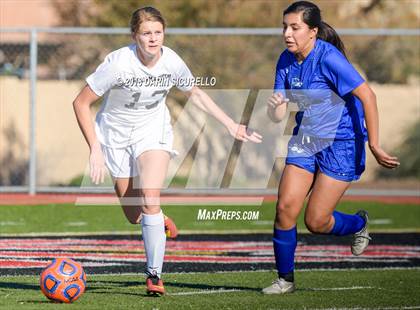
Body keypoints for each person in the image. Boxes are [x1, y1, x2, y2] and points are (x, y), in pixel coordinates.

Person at [73, 6, 262, 296]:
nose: (153, 39)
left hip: (153, 132)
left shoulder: (171, 61)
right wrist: (94, 148)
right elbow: (80, 103)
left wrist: (229, 124)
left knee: (151, 195)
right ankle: (158, 218)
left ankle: (154, 274)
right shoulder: (118, 63)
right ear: (134, 35)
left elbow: (194, 93)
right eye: (146, 33)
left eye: (158, 33)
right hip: (115, 135)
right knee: (134, 214)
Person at [263, 1, 399, 294]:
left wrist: (373, 144)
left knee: (316, 221)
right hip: (306, 140)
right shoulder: (285, 61)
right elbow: (276, 115)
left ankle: (359, 223)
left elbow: (368, 96)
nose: (287, 33)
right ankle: (284, 280)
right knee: (285, 207)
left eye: (294, 27)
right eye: (284, 26)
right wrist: (276, 107)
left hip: (342, 143)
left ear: (312, 32)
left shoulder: (329, 58)